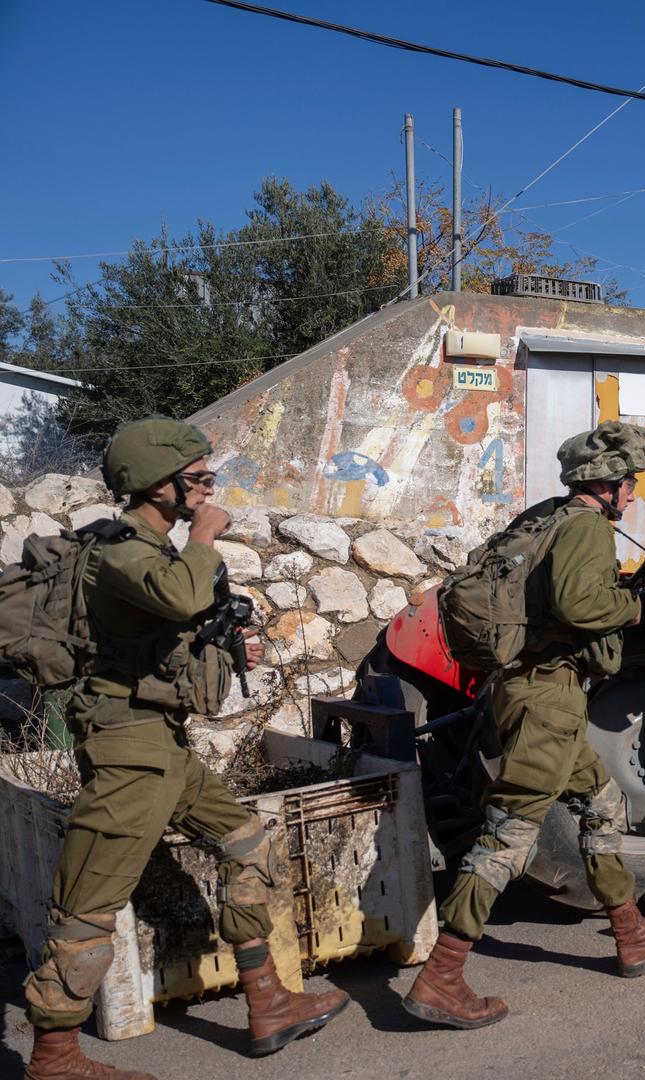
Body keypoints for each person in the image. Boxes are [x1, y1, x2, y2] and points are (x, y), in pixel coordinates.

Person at [22, 418, 350, 1080]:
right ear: (155, 484)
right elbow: (177, 592)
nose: (208, 490)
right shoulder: (121, 550)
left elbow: (162, 628)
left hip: (159, 741)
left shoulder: (147, 548)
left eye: (207, 478)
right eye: (197, 479)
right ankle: (53, 1055)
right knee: (87, 904)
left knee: (244, 841)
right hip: (126, 748)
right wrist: (204, 538)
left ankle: (267, 1000)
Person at [403, 421, 645, 1031]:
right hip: (548, 699)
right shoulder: (587, 528)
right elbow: (580, 605)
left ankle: (631, 931)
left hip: (527, 691)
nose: (634, 493)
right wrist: (638, 605)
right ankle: (442, 974)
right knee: (508, 835)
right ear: (613, 483)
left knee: (601, 803)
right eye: (632, 483)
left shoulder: (542, 518)